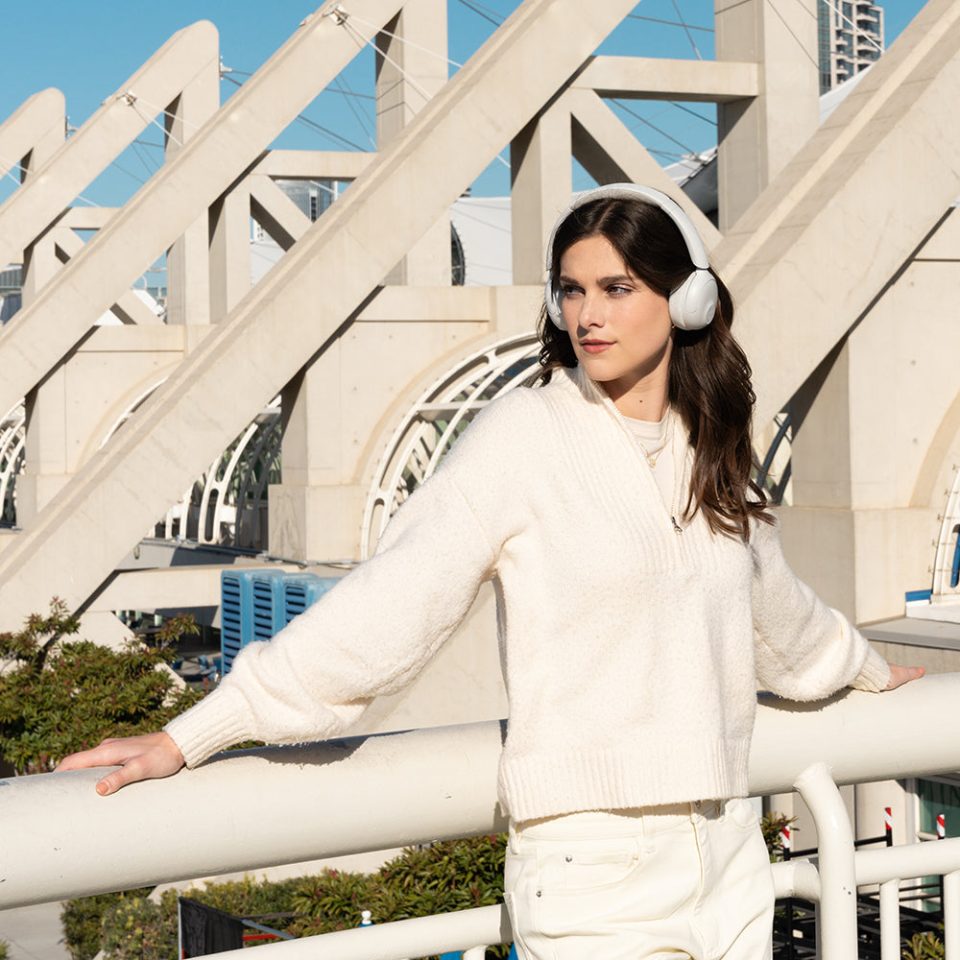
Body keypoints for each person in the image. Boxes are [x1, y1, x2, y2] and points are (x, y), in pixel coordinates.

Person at [58, 183, 924, 959]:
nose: (588, 315)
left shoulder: (709, 451)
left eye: (617, 288)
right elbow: (390, 607)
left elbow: (779, 616)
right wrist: (196, 732)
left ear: (686, 299)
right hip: (593, 868)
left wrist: (868, 669)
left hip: (729, 847)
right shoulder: (523, 437)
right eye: (572, 290)